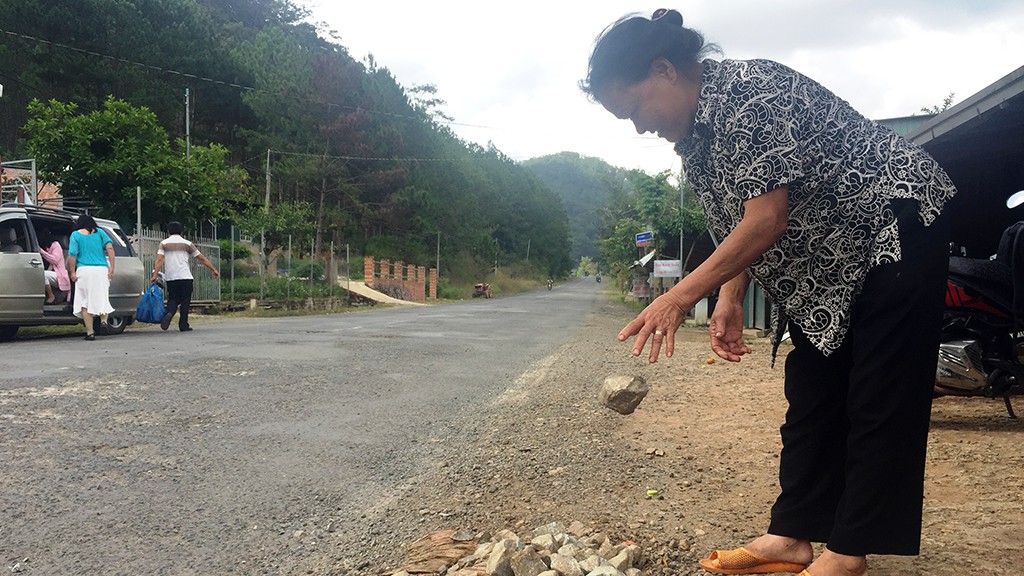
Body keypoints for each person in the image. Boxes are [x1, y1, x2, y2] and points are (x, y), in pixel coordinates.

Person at [582, 9, 957, 576]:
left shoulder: (749, 95)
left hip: (892, 222)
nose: (639, 127)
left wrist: (679, 296)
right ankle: (792, 535)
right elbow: (741, 219)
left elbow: (765, 219)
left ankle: (848, 552)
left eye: (635, 109)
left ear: (665, 70)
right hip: (823, 263)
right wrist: (729, 298)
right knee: (812, 388)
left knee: (880, 389)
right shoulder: (697, 137)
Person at [150, 221, 220, 332]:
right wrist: (213, 269)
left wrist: (154, 275)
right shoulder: (187, 244)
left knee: (173, 298)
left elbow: (159, 259)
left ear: (168, 232)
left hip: (171, 277)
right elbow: (201, 257)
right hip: (185, 277)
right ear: (181, 232)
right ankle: (183, 325)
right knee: (185, 301)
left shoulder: (164, 243)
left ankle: (170, 313)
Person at [67, 215, 116, 340]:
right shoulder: (100, 232)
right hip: (101, 270)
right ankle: (104, 322)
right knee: (103, 297)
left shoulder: (75, 235)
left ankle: (90, 333)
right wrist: (112, 268)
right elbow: (110, 248)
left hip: (84, 271)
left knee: (85, 301)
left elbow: (72, 254)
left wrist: (72, 272)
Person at [39, 231, 70, 304]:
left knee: (43, 274)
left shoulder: (56, 245)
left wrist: (42, 252)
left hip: (60, 275)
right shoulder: (48, 248)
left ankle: (51, 296)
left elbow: (54, 260)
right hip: (53, 274)